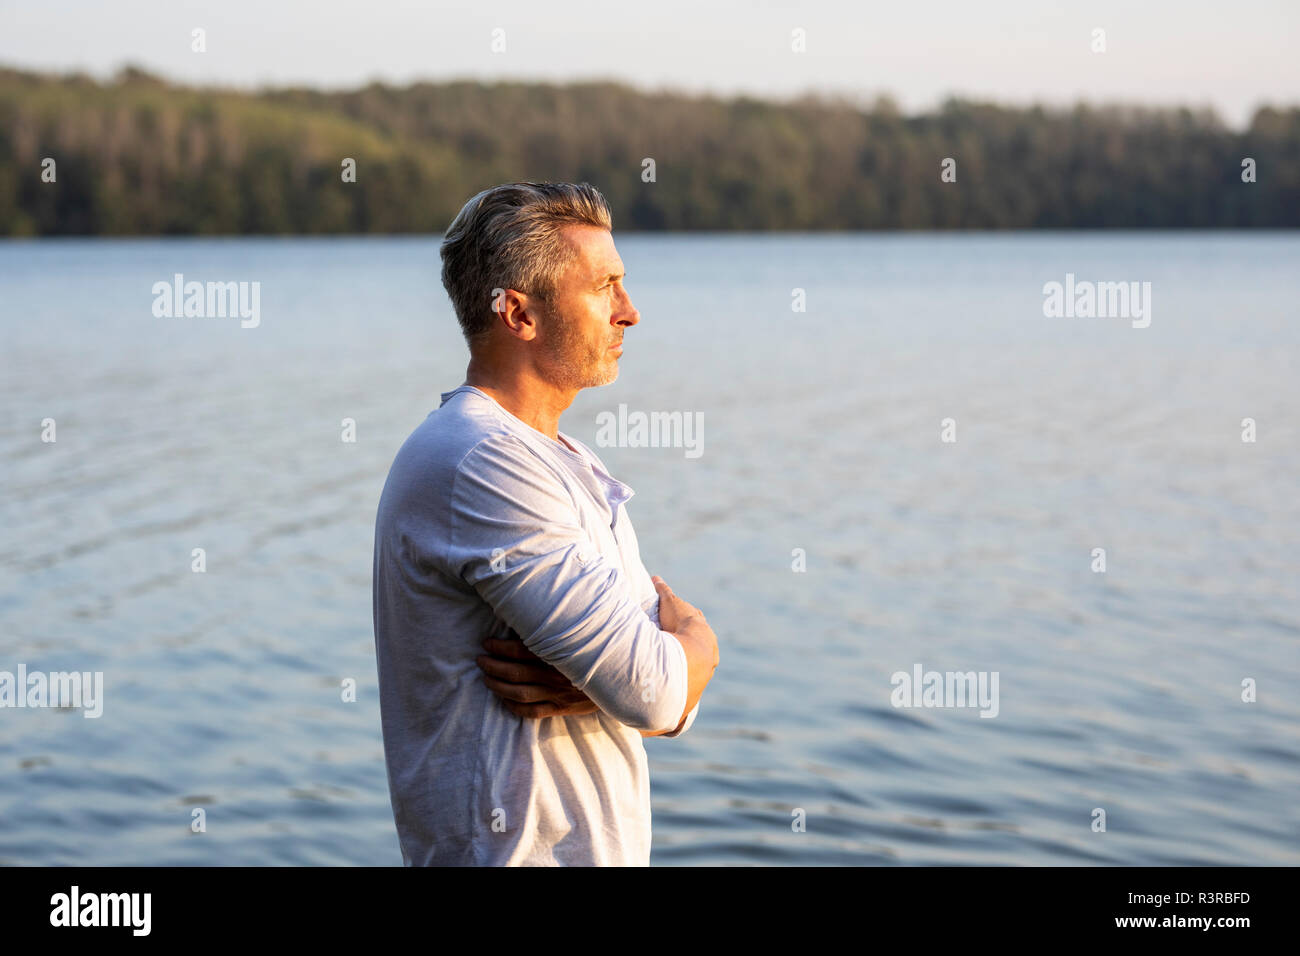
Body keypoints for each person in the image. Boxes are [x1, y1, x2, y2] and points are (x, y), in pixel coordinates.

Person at [372, 181, 720, 865]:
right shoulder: (481, 463)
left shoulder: (564, 462)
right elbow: (656, 692)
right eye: (604, 289)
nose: (630, 313)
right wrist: (701, 643)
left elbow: (659, 694)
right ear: (519, 314)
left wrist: (617, 683)